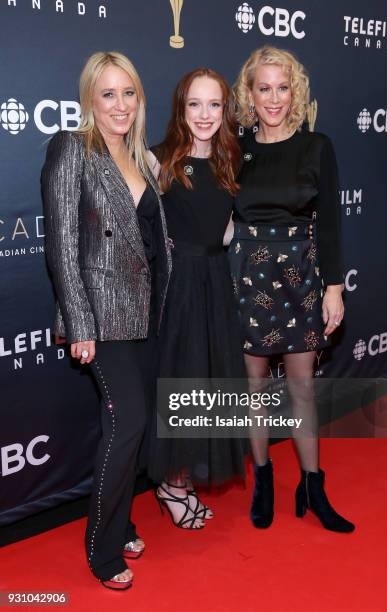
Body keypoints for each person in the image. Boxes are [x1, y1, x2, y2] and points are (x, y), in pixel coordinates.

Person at [41, 51, 171, 589]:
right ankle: (102, 548)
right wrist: (80, 323)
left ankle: (122, 521)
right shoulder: (72, 147)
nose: (120, 104)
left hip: (148, 312)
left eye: (129, 93)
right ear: (91, 100)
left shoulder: (142, 157)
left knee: (130, 427)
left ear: (140, 99)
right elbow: (62, 247)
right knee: (128, 424)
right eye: (108, 94)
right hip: (102, 315)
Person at [230, 46, 355, 532]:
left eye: (283, 87)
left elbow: (330, 227)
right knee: (254, 386)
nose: (274, 98)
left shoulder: (316, 147)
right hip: (247, 277)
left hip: (301, 277)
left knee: (302, 387)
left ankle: (312, 485)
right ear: (250, 93)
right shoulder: (234, 148)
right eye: (264, 88)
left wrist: (334, 287)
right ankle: (262, 479)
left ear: (295, 91)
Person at [148, 68, 246, 529]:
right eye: (194, 104)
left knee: (208, 383)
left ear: (225, 110)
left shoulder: (229, 160)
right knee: (183, 381)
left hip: (214, 283)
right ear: (180, 109)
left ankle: (180, 481)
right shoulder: (158, 161)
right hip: (179, 288)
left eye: (214, 105)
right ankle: (172, 484)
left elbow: (225, 230)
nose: (204, 114)